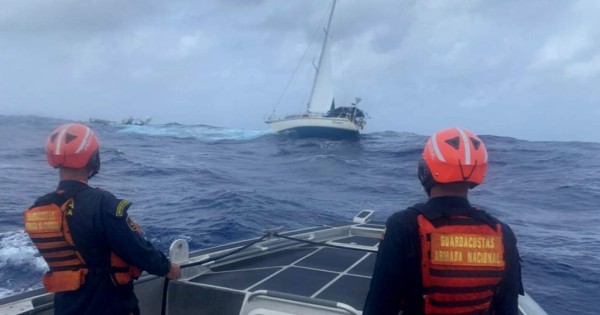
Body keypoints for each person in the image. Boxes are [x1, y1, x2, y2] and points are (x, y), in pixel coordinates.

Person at [24, 123, 181, 315]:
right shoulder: (101, 202)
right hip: (109, 307)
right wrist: (167, 268)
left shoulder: (39, 208)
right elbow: (135, 248)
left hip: (66, 308)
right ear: (91, 158)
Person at [363, 127, 523, 315]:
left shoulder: (403, 225)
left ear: (424, 170)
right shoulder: (502, 233)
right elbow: (508, 307)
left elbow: (380, 304)